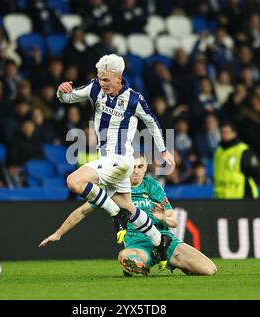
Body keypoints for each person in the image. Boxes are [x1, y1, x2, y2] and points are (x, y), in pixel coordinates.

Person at [56, 54, 175, 269]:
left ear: (119, 77)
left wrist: (164, 150)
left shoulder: (134, 98)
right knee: (129, 207)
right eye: (100, 79)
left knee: (74, 181)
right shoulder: (94, 88)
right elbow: (68, 98)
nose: (102, 84)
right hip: (109, 162)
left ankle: (114, 213)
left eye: (106, 80)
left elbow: (151, 121)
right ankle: (160, 241)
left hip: (121, 160)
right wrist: (62, 90)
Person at [39, 153, 216, 277]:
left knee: (210, 270)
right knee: (124, 255)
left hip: (166, 241)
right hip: (139, 247)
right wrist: (58, 234)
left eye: (140, 166)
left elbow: (174, 221)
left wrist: (163, 218)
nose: (136, 171)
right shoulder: (112, 188)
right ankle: (138, 266)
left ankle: (173, 262)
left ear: (146, 166)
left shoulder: (152, 186)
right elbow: (82, 211)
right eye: (133, 167)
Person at [213, 121, 260, 199]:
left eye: (227, 132)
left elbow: (257, 174)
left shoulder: (243, 151)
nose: (224, 135)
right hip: (220, 198)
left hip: (241, 197)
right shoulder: (218, 152)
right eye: (222, 133)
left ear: (234, 133)